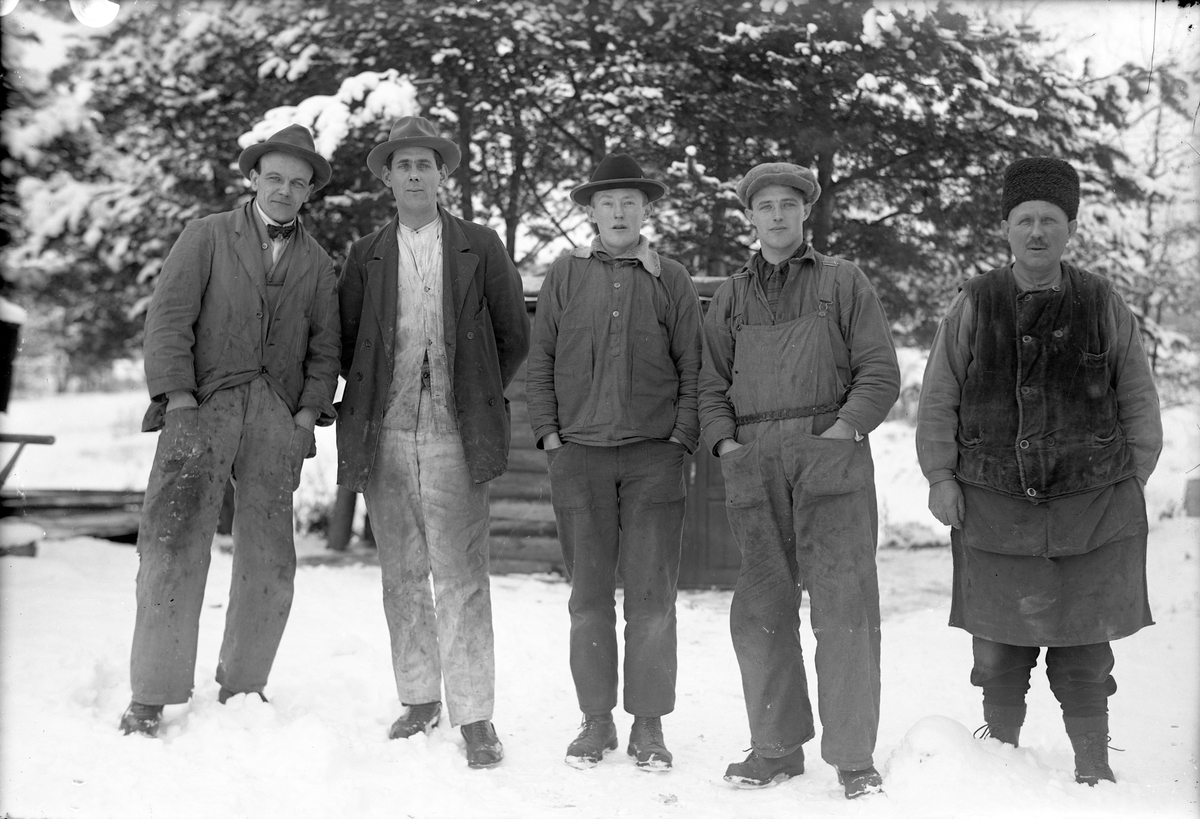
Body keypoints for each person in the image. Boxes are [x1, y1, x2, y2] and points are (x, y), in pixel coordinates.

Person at [915, 157, 1162, 786]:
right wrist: (940, 476)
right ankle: (1001, 758)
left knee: (1086, 648)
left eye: (1050, 220)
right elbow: (939, 395)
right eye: (1024, 219)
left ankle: (1093, 763)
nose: (1036, 232)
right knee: (998, 648)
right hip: (992, 501)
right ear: (1005, 228)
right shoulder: (975, 302)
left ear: (1070, 229)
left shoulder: (1102, 301)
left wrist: (1129, 480)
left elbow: (1138, 397)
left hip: (1092, 508)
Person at [120, 125, 340, 737]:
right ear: (253, 179)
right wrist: (179, 399)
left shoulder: (320, 264)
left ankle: (244, 685)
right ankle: (152, 693)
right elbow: (168, 319)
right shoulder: (207, 235)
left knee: (271, 558)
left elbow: (326, 349)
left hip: (276, 417)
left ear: (309, 192)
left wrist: (304, 418)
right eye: (275, 178)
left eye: (298, 183)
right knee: (172, 543)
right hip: (202, 408)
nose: (285, 190)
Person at [698, 162, 900, 799]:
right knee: (761, 608)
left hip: (829, 460)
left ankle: (853, 758)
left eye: (789, 204)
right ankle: (776, 748)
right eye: (766, 206)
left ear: (806, 212)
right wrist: (727, 444)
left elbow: (878, 372)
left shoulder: (842, 281)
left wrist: (840, 434)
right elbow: (709, 385)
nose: (778, 215)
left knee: (844, 607)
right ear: (751, 218)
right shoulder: (730, 297)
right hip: (755, 463)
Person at [335, 116, 530, 769]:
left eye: (425, 164)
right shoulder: (365, 254)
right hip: (384, 431)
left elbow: (513, 335)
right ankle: (419, 699)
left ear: (442, 175)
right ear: (387, 178)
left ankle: (475, 714)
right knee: (401, 572)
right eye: (403, 165)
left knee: (461, 574)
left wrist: (472, 392)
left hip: (455, 431)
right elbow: (348, 340)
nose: (415, 175)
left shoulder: (481, 245)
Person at [526, 153, 702, 772]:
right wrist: (550, 436)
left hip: (655, 459)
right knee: (589, 599)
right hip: (579, 459)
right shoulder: (565, 274)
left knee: (652, 599)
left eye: (630, 201)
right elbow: (541, 360)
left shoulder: (671, 278)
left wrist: (679, 439)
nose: (619, 212)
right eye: (608, 202)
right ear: (592, 211)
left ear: (646, 210)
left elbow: (694, 367)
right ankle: (596, 720)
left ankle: (648, 724)